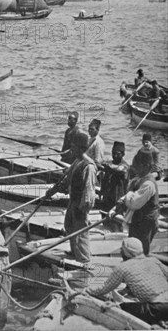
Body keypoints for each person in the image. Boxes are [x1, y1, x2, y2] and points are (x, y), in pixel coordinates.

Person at [85, 237, 168, 325]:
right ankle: (160, 320)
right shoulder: (153, 260)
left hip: (155, 307)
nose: (120, 252)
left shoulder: (123, 267)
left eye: (122, 249)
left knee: (120, 307)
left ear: (127, 252)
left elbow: (104, 289)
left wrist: (86, 291)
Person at [48, 132, 97, 263]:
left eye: (74, 147)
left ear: (81, 148)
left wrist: (82, 208)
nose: (71, 149)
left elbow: (89, 190)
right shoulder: (77, 162)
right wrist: (52, 191)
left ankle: (84, 259)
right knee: (69, 226)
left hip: (81, 204)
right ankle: (74, 251)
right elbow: (66, 181)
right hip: (73, 201)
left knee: (80, 232)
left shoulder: (88, 166)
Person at [110, 151, 159, 255]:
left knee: (141, 249)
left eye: (137, 166)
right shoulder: (139, 179)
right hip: (137, 220)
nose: (134, 168)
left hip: (146, 222)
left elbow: (133, 203)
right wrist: (119, 205)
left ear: (146, 166)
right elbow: (130, 197)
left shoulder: (149, 184)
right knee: (133, 245)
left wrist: (130, 194)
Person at [100, 141, 129, 212]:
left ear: (123, 154)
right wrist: (102, 190)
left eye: (118, 154)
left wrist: (107, 166)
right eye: (113, 153)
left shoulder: (124, 165)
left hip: (118, 196)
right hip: (107, 195)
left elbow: (119, 170)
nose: (115, 155)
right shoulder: (109, 163)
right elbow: (105, 179)